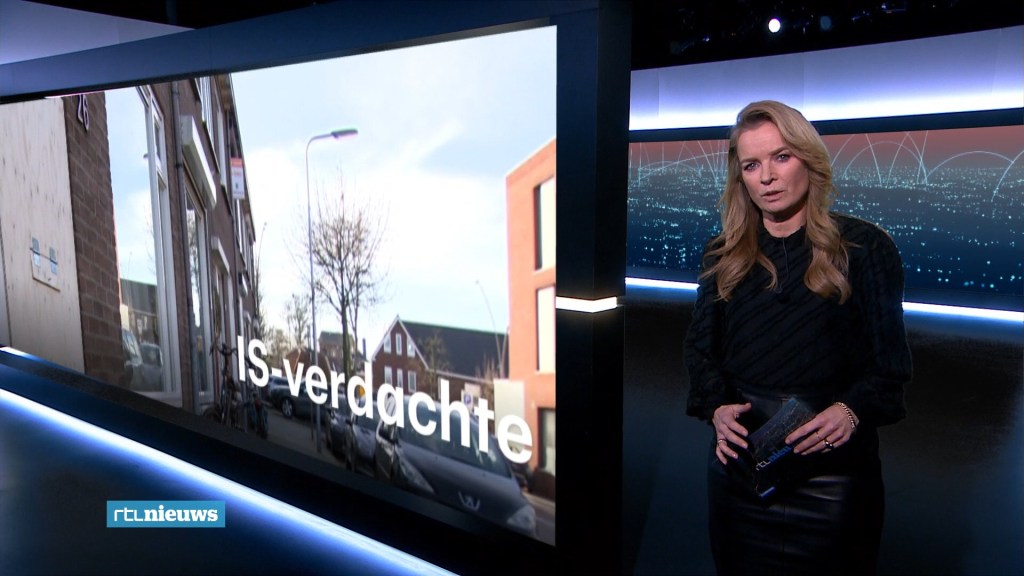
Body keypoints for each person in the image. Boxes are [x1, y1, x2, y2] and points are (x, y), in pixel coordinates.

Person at [684, 100, 912, 575]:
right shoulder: (722, 254)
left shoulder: (864, 248)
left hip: (832, 478)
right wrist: (716, 407)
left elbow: (890, 366)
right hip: (741, 470)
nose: (767, 176)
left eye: (781, 157)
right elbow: (701, 350)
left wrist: (851, 411)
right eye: (751, 165)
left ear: (809, 159)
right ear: (740, 177)